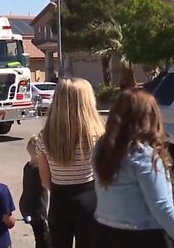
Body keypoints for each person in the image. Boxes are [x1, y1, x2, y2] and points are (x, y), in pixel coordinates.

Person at [93, 89, 174, 248]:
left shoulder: (101, 148)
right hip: (142, 236)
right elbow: (162, 206)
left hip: (105, 232)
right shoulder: (144, 155)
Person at [36, 77, 105, 248]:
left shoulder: (45, 136)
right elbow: (103, 174)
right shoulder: (98, 135)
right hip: (90, 200)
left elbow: (45, 181)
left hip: (59, 201)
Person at [19, 135, 51, 248]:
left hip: (26, 205)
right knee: (44, 236)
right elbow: (47, 183)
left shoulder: (27, 166)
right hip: (37, 208)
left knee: (39, 234)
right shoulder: (39, 170)